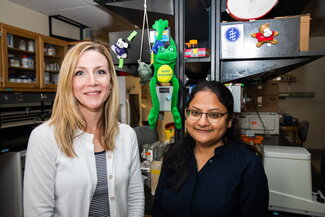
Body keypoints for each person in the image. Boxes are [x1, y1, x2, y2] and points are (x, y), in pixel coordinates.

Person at [23, 41, 144, 217]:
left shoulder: (127, 135)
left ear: (110, 81)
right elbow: (38, 212)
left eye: (100, 72)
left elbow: (135, 198)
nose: (92, 82)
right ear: (68, 83)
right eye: (80, 73)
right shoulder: (45, 137)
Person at [153, 81, 269, 217]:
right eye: (195, 112)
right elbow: (158, 208)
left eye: (214, 115)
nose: (202, 122)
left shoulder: (248, 165)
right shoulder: (174, 155)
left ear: (230, 119)